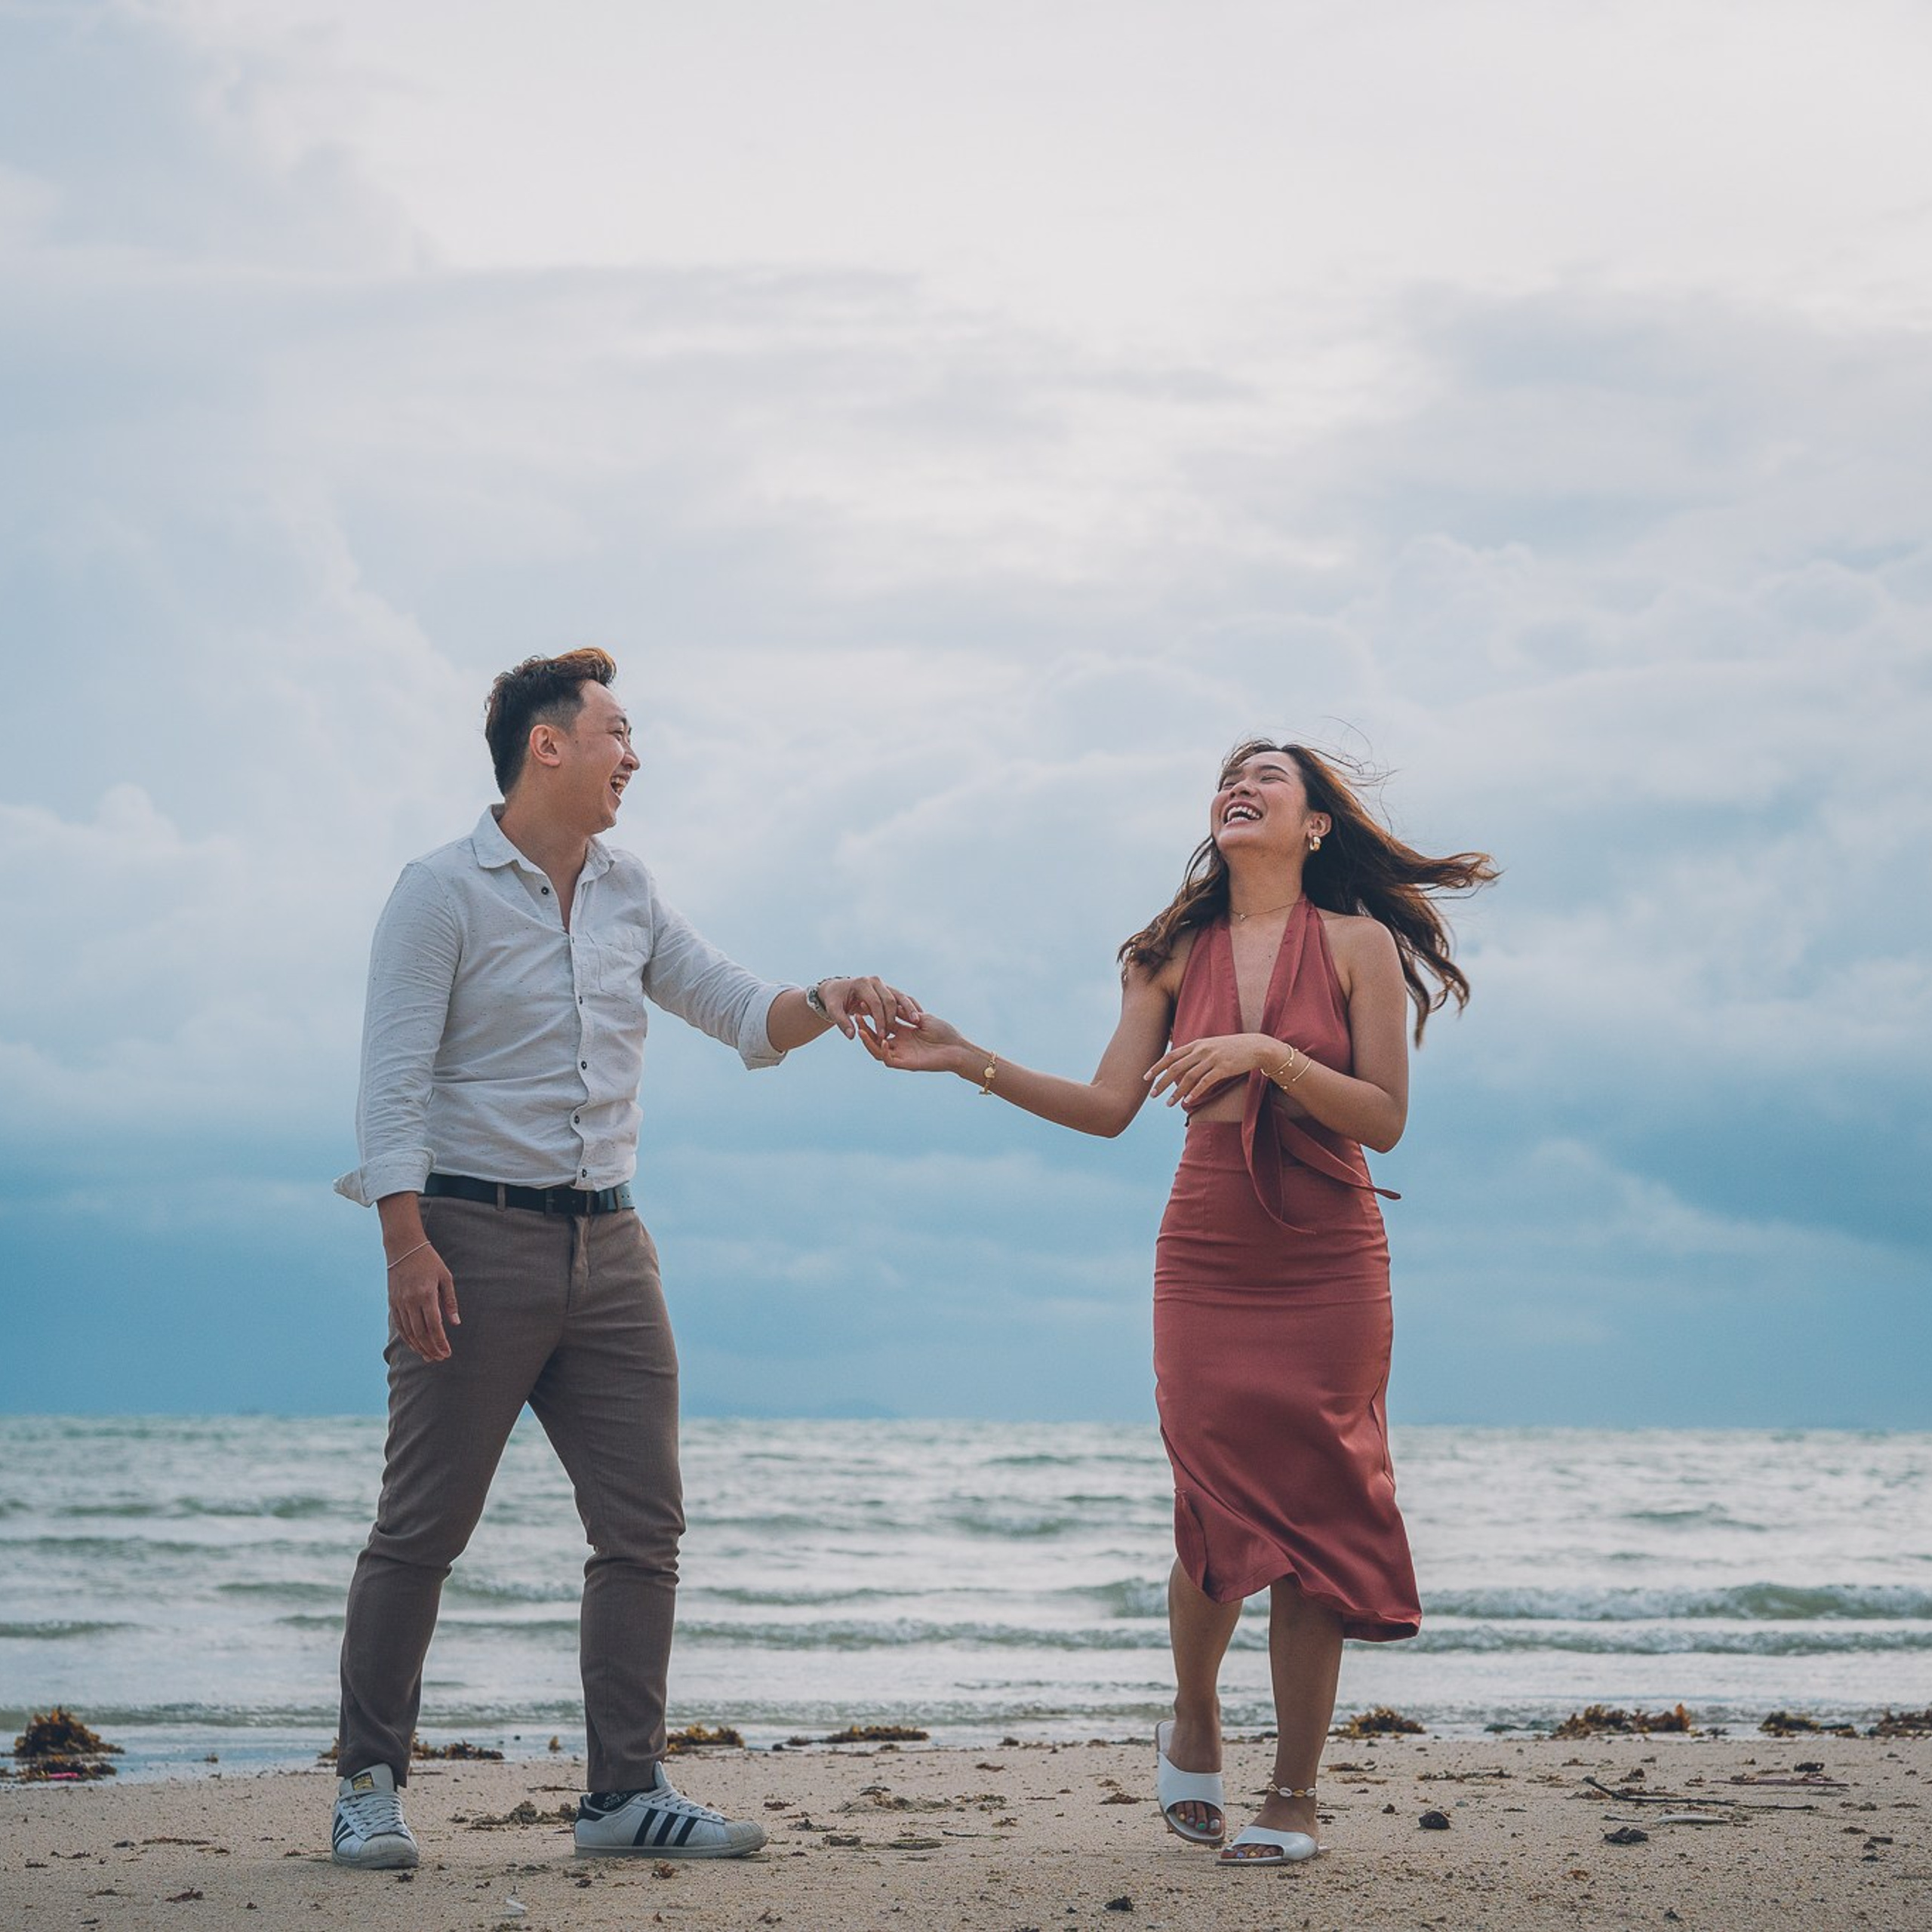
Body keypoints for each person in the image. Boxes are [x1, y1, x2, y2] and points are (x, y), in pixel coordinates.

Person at [328, 649, 918, 1869]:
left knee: (644, 1527)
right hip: (470, 1239)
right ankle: (369, 1786)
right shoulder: (438, 891)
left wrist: (832, 994)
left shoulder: (629, 888)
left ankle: (624, 1795)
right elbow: (389, 1085)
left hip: (613, 1244)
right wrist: (406, 1243)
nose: (632, 756)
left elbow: (739, 1009)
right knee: (423, 1527)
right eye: (617, 731)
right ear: (548, 744)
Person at [872, 738, 1495, 1869]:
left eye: (1268, 776)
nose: (1240, 786)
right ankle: (1196, 1713)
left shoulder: (1359, 947)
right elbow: (1111, 1105)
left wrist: (1268, 1053)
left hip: (1329, 1254)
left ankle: (1294, 1794)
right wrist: (967, 1057)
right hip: (1207, 1249)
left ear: (1314, 826)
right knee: (1213, 1502)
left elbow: (1386, 1119)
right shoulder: (1169, 955)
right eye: (1228, 777)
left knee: (1318, 1509)